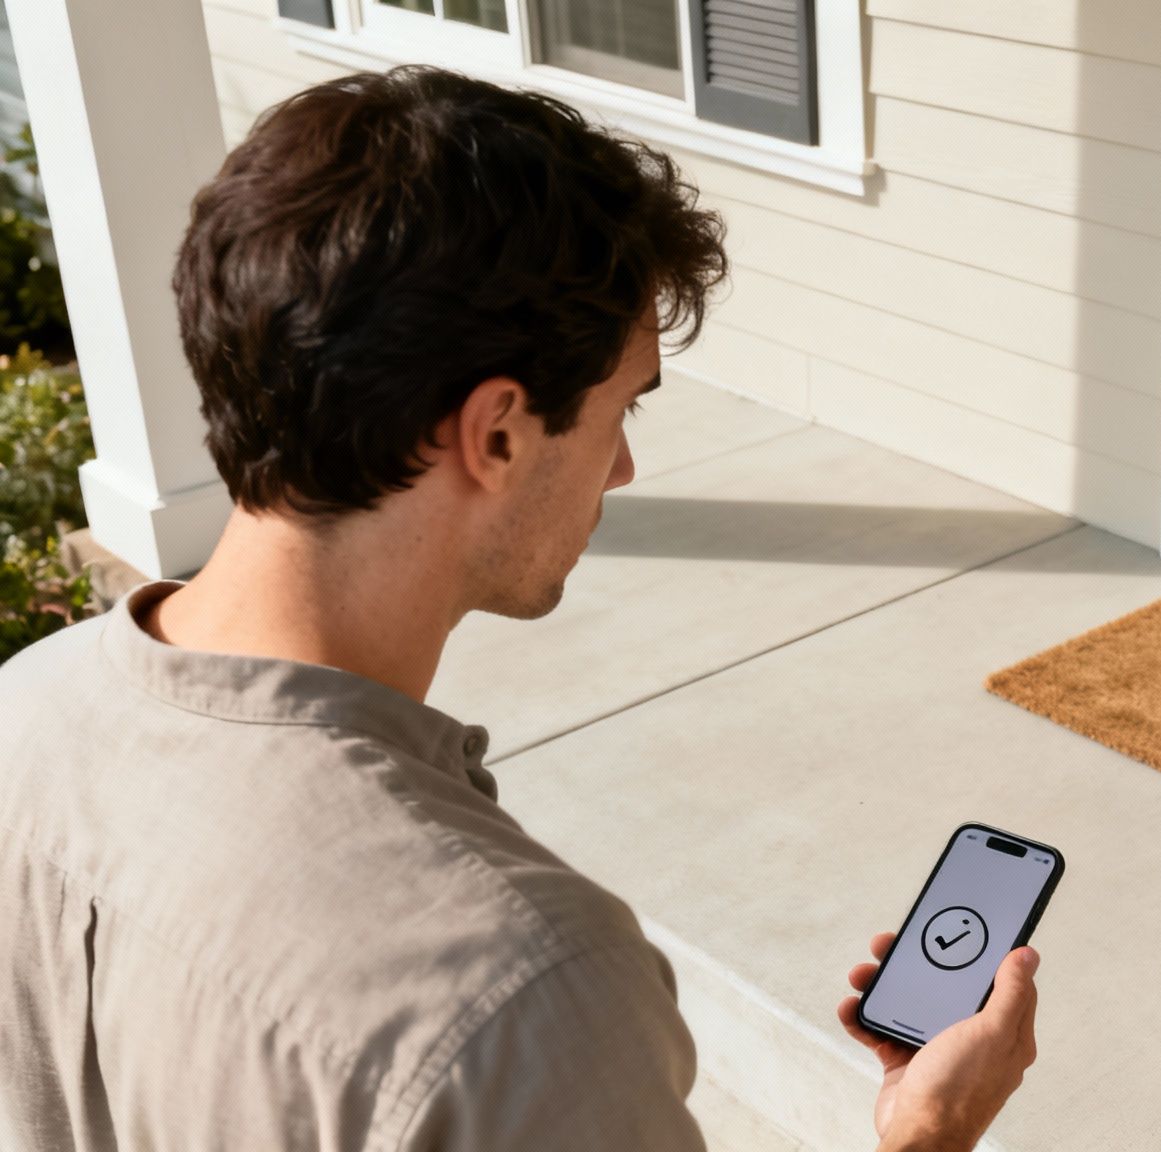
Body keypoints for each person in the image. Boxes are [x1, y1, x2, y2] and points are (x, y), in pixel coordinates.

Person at [0, 64, 1037, 1151]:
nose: (623, 467)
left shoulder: (25, 709)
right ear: (496, 432)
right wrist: (929, 1135)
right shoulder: (524, 996)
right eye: (620, 408)